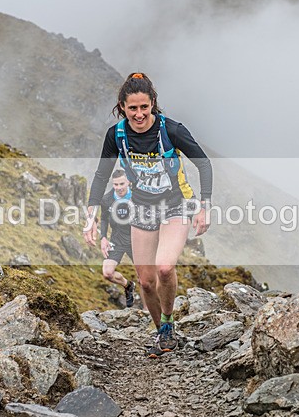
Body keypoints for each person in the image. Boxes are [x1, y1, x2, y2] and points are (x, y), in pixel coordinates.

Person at [84, 72, 212, 358]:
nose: (139, 114)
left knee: (164, 267)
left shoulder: (172, 130)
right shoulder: (116, 135)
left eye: (145, 107)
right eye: (133, 108)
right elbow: (102, 174)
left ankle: (167, 321)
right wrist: (91, 215)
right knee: (145, 281)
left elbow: (204, 164)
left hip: (176, 205)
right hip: (141, 207)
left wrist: (205, 206)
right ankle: (163, 333)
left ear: (153, 103)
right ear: (122, 107)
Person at [99, 169, 138, 307]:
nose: (119, 187)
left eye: (122, 184)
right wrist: (103, 238)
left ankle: (153, 311)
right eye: (116, 184)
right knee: (107, 273)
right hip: (117, 239)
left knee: (146, 278)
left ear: (128, 182)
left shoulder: (138, 195)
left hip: (137, 239)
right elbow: (103, 219)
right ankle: (128, 286)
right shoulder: (107, 199)